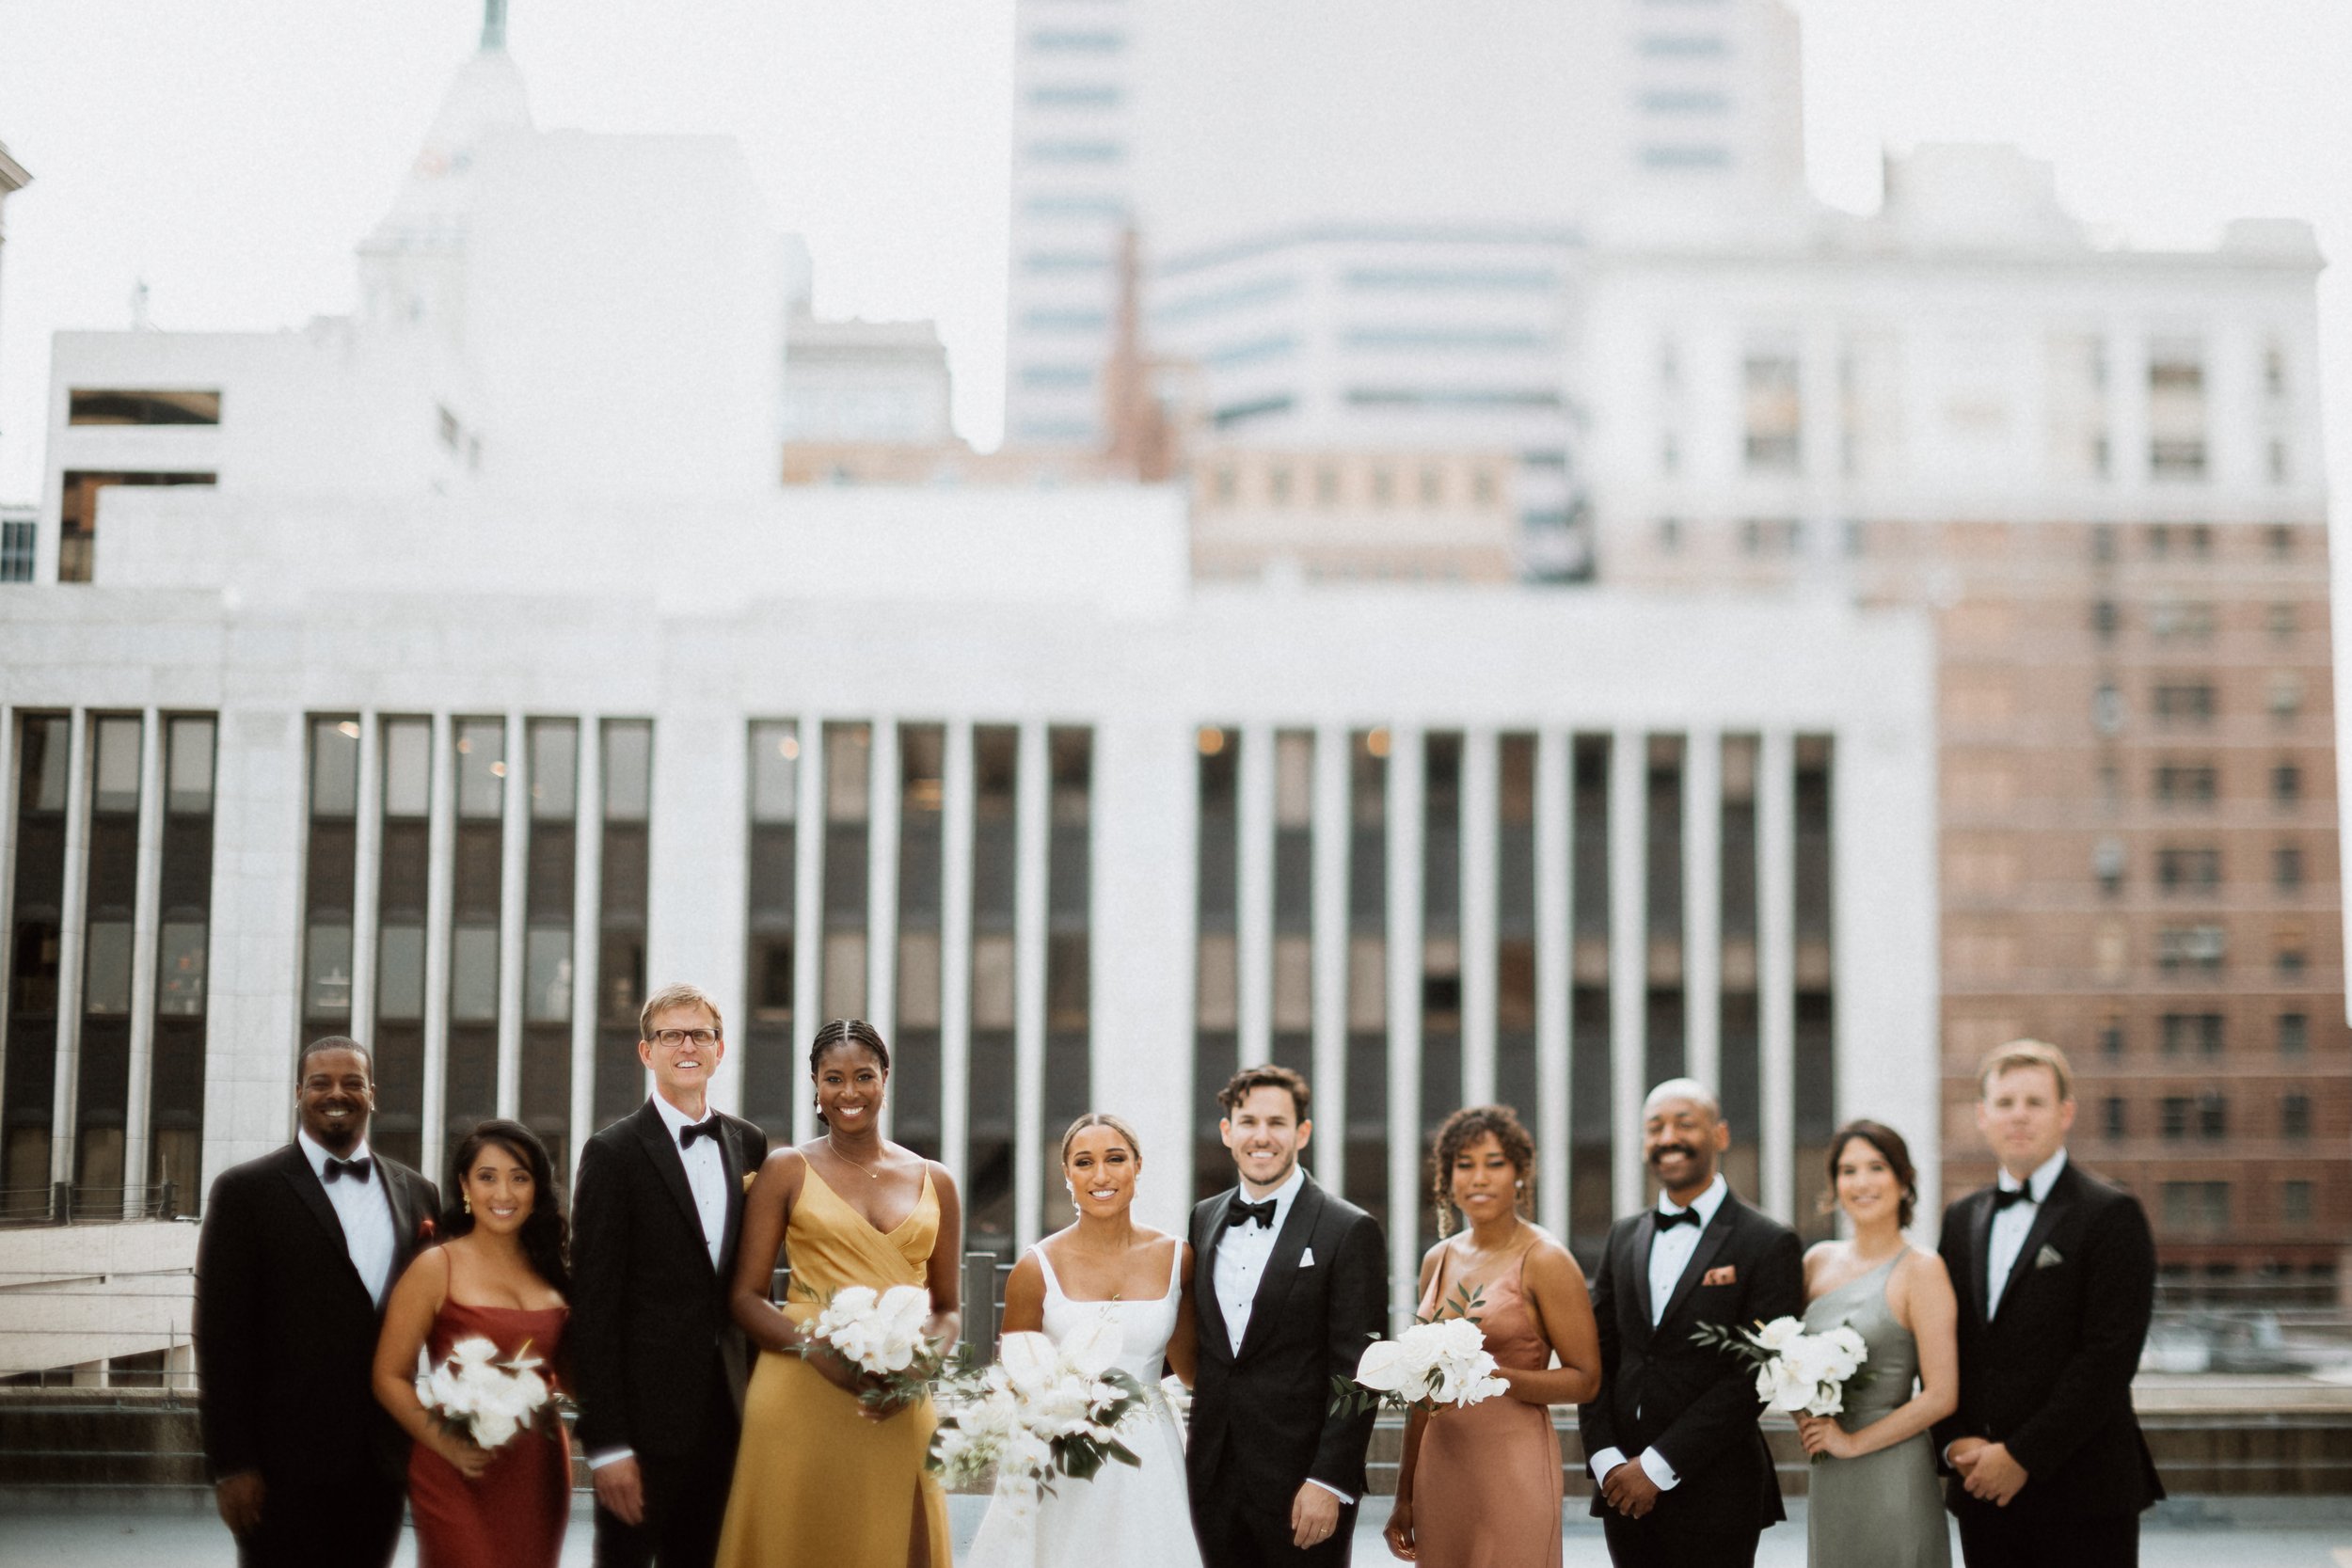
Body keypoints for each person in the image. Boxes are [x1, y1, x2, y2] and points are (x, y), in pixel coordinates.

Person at [715, 1019, 962, 1568]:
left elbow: (947, 1308)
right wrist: (816, 1350)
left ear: (885, 1079)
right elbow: (746, 1298)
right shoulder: (786, 1169)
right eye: (834, 1078)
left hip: (896, 1398)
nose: (849, 1092)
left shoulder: (936, 1180)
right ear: (816, 1085)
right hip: (797, 1389)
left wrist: (919, 1368)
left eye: (864, 1076)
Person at [194, 1037, 440, 1568]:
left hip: (381, 1468)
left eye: (352, 1082)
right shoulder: (244, 1191)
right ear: (299, 1094)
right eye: (321, 1082)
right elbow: (220, 1338)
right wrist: (232, 1464)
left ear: (372, 1094)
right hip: (281, 1469)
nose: (337, 1093)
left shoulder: (420, 1194)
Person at [1933, 1039, 2162, 1568]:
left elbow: (2110, 1356)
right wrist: (1955, 1444)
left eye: (2034, 1102)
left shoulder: (2112, 1213)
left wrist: (2021, 1456)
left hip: (2083, 1489)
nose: (2019, 1115)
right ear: (1983, 1116)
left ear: (2065, 1113)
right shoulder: (1961, 1217)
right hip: (1982, 1487)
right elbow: (1949, 1343)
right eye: (2006, 1102)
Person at [571, 984, 771, 1568]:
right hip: (643, 1426)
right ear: (646, 1051)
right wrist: (607, 1446)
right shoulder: (612, 1153)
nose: (687, 1045)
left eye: (700, 1034)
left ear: (719, 1049)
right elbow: (594, 1305)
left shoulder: (750, 1143)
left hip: (731, 1415)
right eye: (671, 1035)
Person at [1577, 1078, 1801, 1568]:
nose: (1668, 1137)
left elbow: (1755, 1375)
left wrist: (1657, 1468)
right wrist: (1606, 1459)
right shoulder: (1623, 1235)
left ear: (1719, 1135)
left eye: (1685, 1123)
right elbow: (1596, 1354)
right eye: (1655, 1127)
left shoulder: (1768, 1241)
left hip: (1718, 1488)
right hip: (1621, 1489)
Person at [965, 1112, 1202, 1567]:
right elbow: (1013, 1378)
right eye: (1084, 1162)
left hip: (1151, 1452)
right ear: (1067, 1175)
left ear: (1137, 1165)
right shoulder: (1035, 1269)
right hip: (1065, 1455)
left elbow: (1192, 1371)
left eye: (1115, 1159)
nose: (1101, 1175)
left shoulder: (1178, 1258)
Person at [1384, 1105, 1601, 1568]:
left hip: (1514, 1466)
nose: (1479, 1177)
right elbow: (1422, 1392)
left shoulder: (1546, 1259)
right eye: (1465, 1164)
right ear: (1448, 1179)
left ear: (1520, 1174)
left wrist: (1488, 1375)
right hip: (1440, 1470)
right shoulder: (1436, 1259)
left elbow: (1585, 1380)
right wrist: (1404, 1493)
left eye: (1494, 1163)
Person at [1187, 1064, 1387, 1567]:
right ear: (1227, 1131)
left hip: (1304, 1487)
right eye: (1248, 1121)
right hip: (1211, 1480)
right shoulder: (1203, 1217)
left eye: (1277, 1123)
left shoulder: (1349, 1229)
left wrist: (1329, 1480)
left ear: (1302, 1132)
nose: (1262, 1136)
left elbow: (1360, 1373)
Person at [373, 1119, 573, 1568]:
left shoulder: (554, 1270)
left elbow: (576, 1377)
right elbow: (388, 1375)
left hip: (535, 1471)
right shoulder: (434, 1266)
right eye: (487, 1177)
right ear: (465, 1185)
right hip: (454, 1464)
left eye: (519, 1178)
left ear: (537, 1188)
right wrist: (445, 1443)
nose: (503, 1194)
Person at [1794, 1120, 1958, 1568]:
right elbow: (1785, 1362)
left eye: (1876, 1167)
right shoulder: (1816, 1261)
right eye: (1848, 1171)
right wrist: (1804, 1413)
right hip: (1828, 1471)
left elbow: (1942, 1395)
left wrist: (1852, 1442)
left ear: (1904, 1181)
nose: (1861, 1182)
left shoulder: (1922, 1268)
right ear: (1834, 1185)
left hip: (1892, 1470)